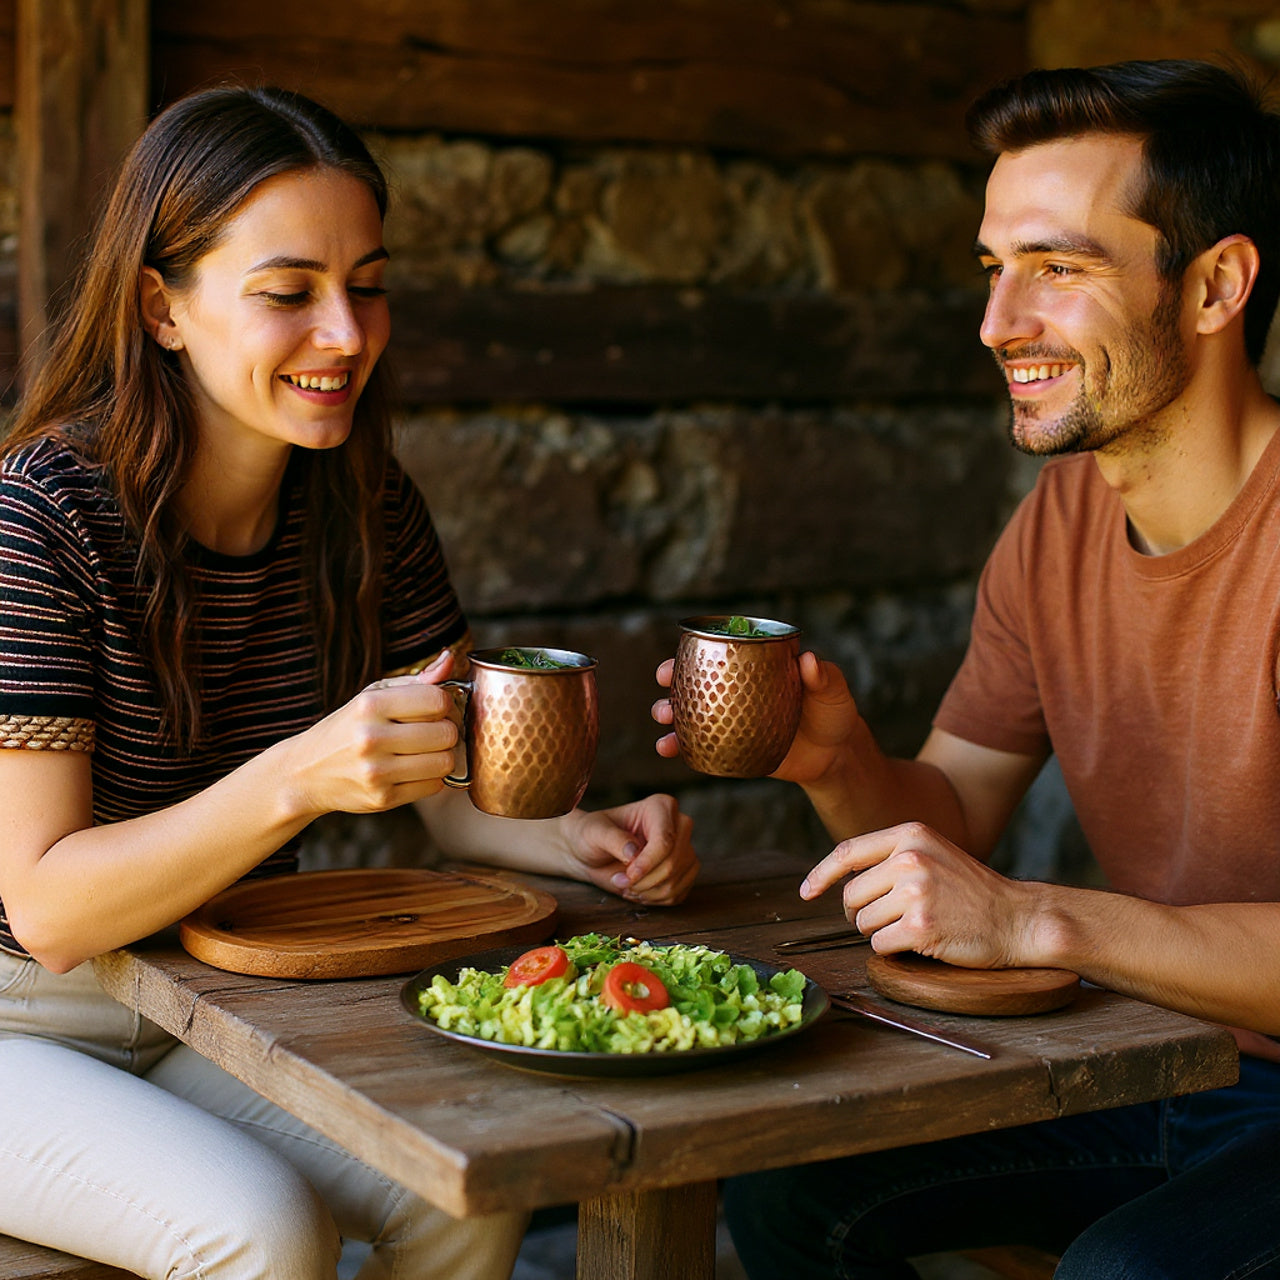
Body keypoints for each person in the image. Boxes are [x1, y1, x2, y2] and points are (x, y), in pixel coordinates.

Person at [0, 84, 698, 1280]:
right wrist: (298, 774)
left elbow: (445, 789)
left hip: (196, 994)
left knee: (465, 1182)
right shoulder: (39, 518)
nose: (344, 333)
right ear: (163, 308)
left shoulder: (362, 503)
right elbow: (50, 908)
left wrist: (577, 837)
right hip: (20, 1019)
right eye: (288, 293)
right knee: (264, 1231)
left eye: (366, 284)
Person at [654, 58, 1280, 1278]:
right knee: (789, 1190)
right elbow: (954, 809)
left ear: (1213, 285)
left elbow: (1013, 903)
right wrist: (838, 765)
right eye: (992, 270)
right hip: (1166, 1060)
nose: (997, 323)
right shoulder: (1054, 525)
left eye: (1055, 267)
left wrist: (1038, 919)